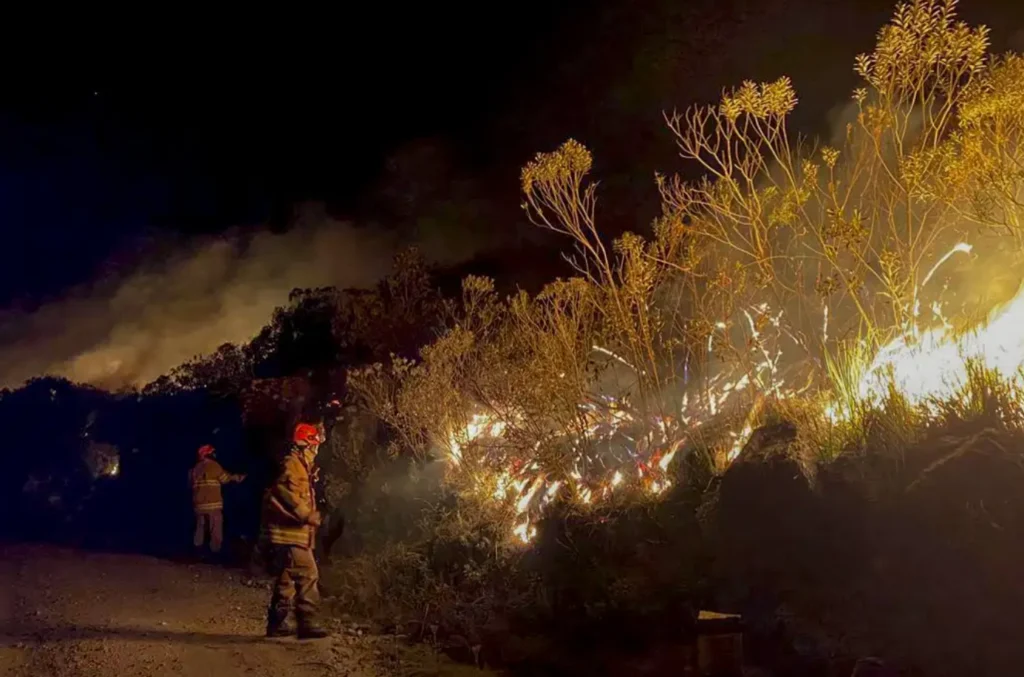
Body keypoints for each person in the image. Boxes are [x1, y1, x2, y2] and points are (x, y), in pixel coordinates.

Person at [261, 422, 330, 639]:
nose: (317, 450)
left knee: (286, 579)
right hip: (290, 534)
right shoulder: (292, 464)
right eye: (315, 445)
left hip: (294, 533)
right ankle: (307, 623)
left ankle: (276, 624)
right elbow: (282, 491)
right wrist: (304, 514)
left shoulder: (302, 465)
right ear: (307, 445)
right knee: (309, 574)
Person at [190, 444, 246, 556]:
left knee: (200, 528)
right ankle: (215, 552)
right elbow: (225, 479)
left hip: (198, 506)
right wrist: (238, 477)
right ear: (209, 454)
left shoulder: (194, 469)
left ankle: (197, 550)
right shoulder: (214, 466)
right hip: (213, 504)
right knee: (215, 528)